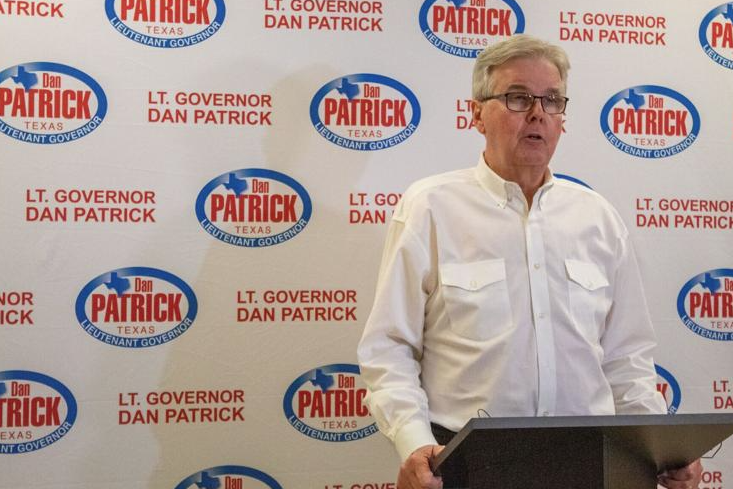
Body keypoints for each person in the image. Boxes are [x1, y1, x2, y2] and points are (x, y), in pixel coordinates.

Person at [356, 35, 702, 489]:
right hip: (466, 464)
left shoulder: (598, 218)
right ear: (476, 114)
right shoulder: (430, 208)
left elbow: (627, 358)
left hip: (591, 463)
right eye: (518, 97)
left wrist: (663, 449)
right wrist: (414, 443)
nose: (538, 113)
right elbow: (390, 348)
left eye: (552, 100)